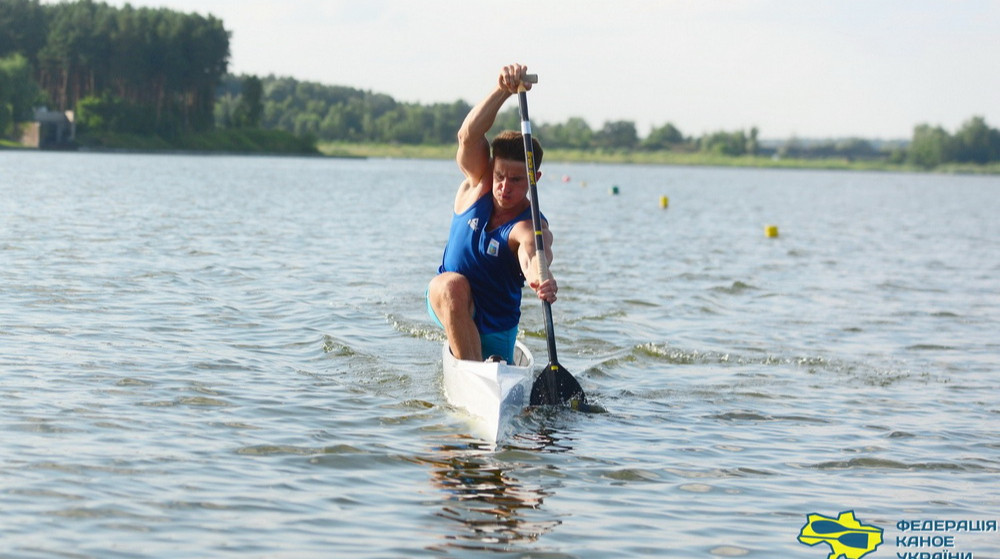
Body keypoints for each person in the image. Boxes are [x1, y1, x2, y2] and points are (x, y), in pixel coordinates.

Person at [427, 63, 557, 363]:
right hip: (452, 302)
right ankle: (476, 369)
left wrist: (542, 277)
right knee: (450, 284)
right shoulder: (477, 184)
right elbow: (468, 136)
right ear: (491, 169)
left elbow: (534, 252)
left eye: (515, 179)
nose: (504, 187)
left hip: (498, 329)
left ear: (534, 178)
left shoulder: (528, 224)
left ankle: (485, 365)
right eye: (500, 176)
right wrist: (502, 90)